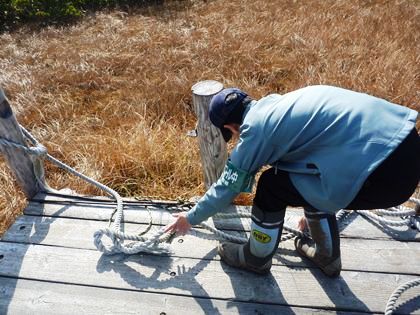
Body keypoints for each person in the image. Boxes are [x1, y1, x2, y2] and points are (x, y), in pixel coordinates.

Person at [165, 85, 420, 277]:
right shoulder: (283, 103)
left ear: (231, 127)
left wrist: (190, 218)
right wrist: (313, 208)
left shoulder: (255, 130)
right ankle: (325, 256)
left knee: (271, 186)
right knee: (305, 174)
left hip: (383, 177)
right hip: (407, 143)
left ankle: (256, 258)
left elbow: (228, 186)